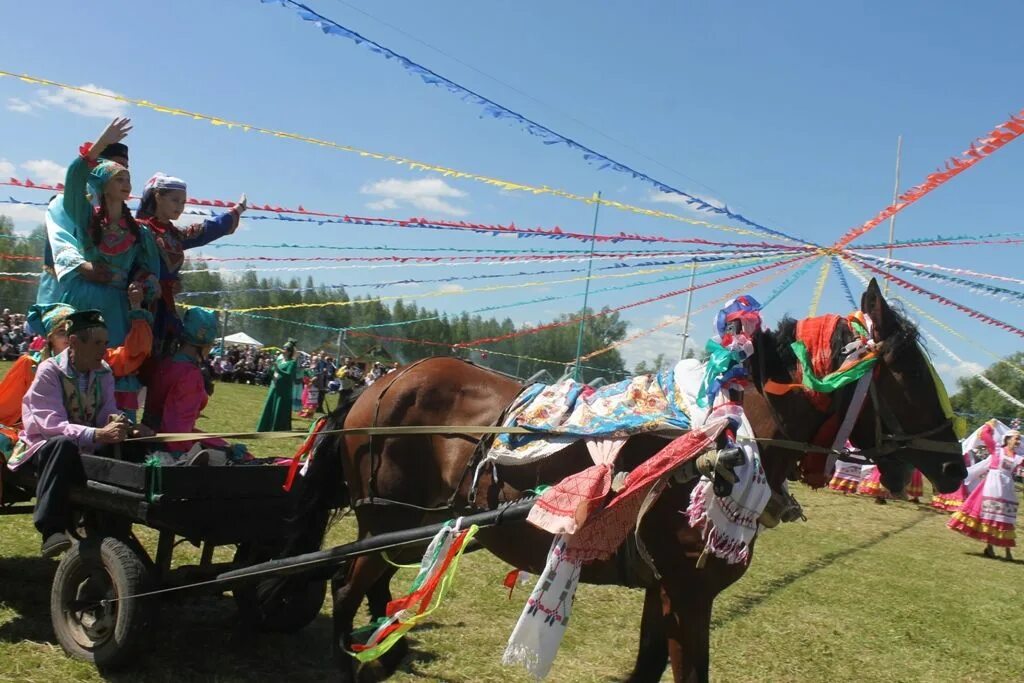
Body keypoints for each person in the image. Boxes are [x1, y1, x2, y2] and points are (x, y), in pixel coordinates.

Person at [6, 310, 153, 556]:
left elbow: (107, 409)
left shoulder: (103, 371)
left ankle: (118, 522)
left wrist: (125, 425)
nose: (104, 350)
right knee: (62, 445)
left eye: (105, 343)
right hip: (44, 447)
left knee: (133, 445)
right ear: (75, 342)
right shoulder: (49, 370)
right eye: (97, 343)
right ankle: (51, 529)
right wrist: (97, 434)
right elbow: (51, 425)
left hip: (85, 446)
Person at [37, 117, 160, 348]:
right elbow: (74, 179)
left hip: (116, 301)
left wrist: (144, 285)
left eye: (127, 176)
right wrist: (98, 145)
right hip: (77, 289)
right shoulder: (79, 212)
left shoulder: (138, 229)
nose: (123, 180)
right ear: (98, 173)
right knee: (72, 357)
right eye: (115, 172)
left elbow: (148, 268)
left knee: (110, 360)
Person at [135, 173, 247, 354]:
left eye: (183, 202)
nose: (180, 207)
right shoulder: (139, 229)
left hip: (166, 307)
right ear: (158, 197)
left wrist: (237, 210)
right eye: (175, 200)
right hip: (141, 303)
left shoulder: (175, 235)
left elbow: (204, 231)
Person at [142, 307, 247, 462]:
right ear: (204, 342)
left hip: (148, 438)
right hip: (169, 446)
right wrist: (182, 456)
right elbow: (177, 427)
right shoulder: (189, 375)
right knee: (237, 457)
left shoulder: (166, 362)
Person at [948, 424, 1023, 560]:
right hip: (992, 486)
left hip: (1006, 489)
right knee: (991, 518)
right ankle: (990, 548)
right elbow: (985, 435)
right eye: (1016, 439)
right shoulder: (997, 450)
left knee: (1006, 519)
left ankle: (1007, 551)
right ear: (1008, 439)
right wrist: (990, 425)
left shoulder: (1018, 458)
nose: (1018, 442)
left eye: (1019, 440)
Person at [256, 339, 298, 432]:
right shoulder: (279, 360)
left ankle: (278, 427)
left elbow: (288, 375)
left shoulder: (292, 363)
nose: (283, 350)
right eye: (283, 348)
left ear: (289, 351)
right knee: (270, 405)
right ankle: (266, 425)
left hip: (284, 389)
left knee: (280, 407)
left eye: (285, 349)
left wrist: (277, 368)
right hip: (274, 386)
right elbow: (273, 372)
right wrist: (270, 368)